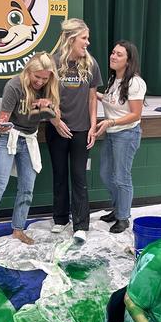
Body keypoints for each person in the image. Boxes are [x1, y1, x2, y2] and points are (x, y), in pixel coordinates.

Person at [0, 52, 60, 255]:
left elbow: (55, 115)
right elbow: (2, 118)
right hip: (9, 136)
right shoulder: (14, 85)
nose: (39, 82)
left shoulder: (50, 87)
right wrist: (1, 125)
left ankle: (18, 229)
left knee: (27, 187)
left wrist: (49, 108)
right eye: (36, 77)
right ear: (28, 71)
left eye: (44, 78)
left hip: (29, 138)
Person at [46, 18, 103, 242]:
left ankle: (81, 224)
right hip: (57, 128)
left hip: (81, 130)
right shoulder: (52, 62)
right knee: (59, 174)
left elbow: (92, 98)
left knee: (79, 176)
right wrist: (56, 122)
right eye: (84, 38)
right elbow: (47, 97)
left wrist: (92, 126)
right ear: (71, 39)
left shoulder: (91, 64)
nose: (88, 43)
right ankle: (60, 219)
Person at [93, 40, 146, 234]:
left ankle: (123, 217)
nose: (113, 56)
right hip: (112, 133)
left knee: (122, 177)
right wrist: (91, 93)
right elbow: (110, 101)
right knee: (106, 174)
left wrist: (111, 122)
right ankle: (118, 209)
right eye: (113, 52)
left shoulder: (135, 83)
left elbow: (135, 114)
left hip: (126, 134)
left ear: (129, 60)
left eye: (119, 54)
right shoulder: (113, 79)